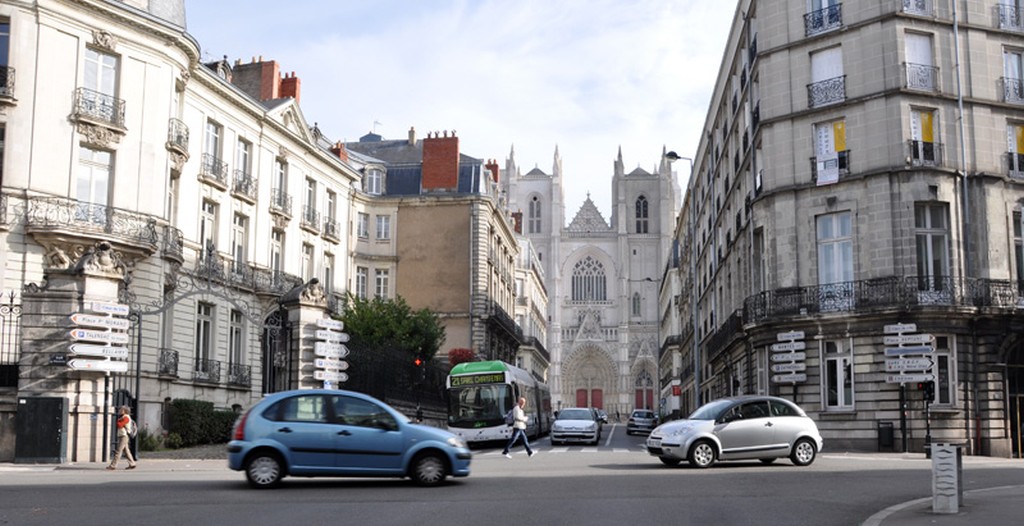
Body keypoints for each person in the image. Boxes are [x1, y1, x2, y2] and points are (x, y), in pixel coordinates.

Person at [107, 405, 137, 470]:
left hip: (124, 436)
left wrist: (119, 421)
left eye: (121, 409)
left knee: (119, 451)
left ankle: (113, 465)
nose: (120, 410)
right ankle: (132, 463)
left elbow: (120, 425)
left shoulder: (126, 417)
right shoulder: (123, 417)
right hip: (122, 435)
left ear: (125, 411)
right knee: (126, 451)